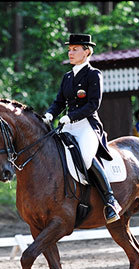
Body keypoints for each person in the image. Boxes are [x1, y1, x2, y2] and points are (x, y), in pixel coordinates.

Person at [42, 33, 122, 224]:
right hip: (69, 125)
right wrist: (50, 114)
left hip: (87, 125)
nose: (70, 53)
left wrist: (70, 116)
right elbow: (59, 101)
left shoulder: (94, 74)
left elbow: (93, 104)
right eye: (69, 49)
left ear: (86, 52)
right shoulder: (67, 77)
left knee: (86, 157)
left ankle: (110, 200)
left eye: (75, 49)